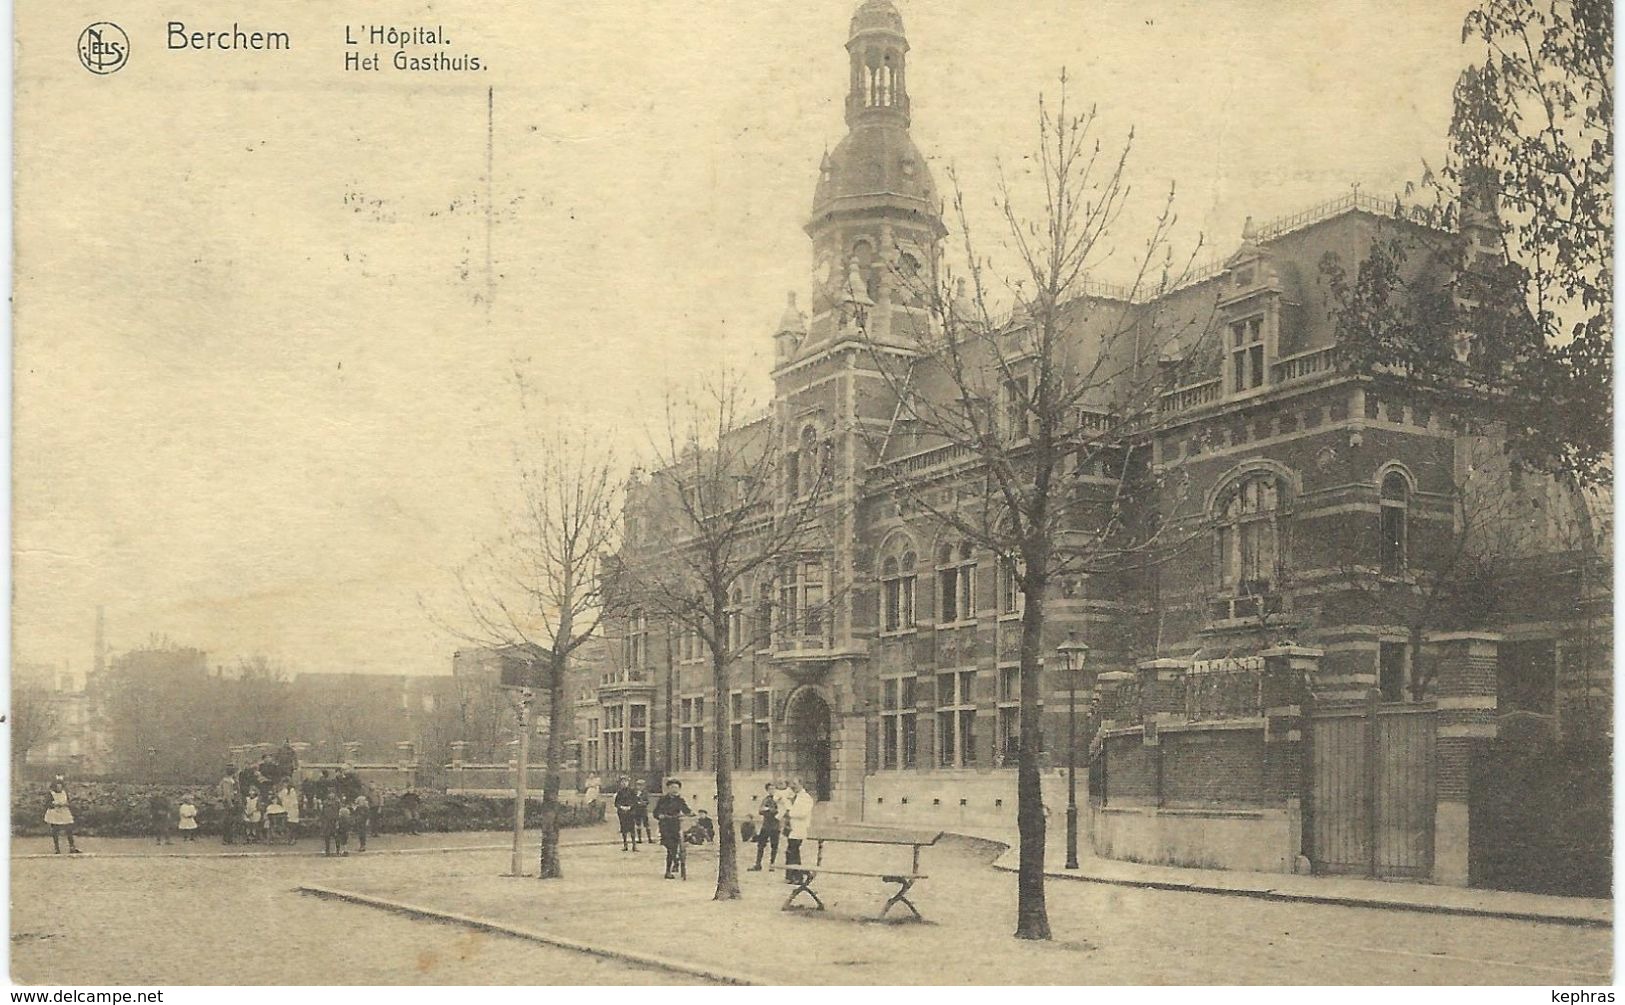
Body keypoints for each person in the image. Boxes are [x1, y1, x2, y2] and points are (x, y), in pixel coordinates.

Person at [652, 779, 692, 879]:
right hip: (665, 825)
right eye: (672, 787)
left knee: (672, 848)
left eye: (676, 788)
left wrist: (690, 813)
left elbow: (686, 810)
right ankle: (675, 861)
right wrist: (659, 816)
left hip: (675, 825)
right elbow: (655, 812)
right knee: (669, 846)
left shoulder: (680, 800)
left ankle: (668, 871)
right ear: (668, 789)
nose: (674, 790)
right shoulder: (662, 800)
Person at [781, 779, 809, 885]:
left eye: (796, 784)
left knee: (794, 852)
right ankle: (790, 876)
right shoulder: (794, 797)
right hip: (792, 829)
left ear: (801, 785)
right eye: (792, 784)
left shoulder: (806, 798)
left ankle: (798, 876)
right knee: (790, 852)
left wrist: (790, 811)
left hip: (799, 829)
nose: (793, 787)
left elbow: (802, 813)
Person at [44, 777, 81, 854]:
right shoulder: (51, 794)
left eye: (60, 786)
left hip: (64, 812)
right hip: (54, 813)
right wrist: (55, 804)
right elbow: (47, 804)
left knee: (69, 829)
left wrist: (67, 804)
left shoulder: (64, 793)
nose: (59, 788)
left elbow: (68, 801)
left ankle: (72, 847)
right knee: (55, 831)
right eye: (57, 786)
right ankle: (57, 849)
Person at [749, 781, 780, 871]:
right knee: (761, 845)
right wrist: (768, 810)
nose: (772, 790)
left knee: (774, 846)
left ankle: (772, 865)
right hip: (766, 826)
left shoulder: (779, 799)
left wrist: (768, 810)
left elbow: (779, 811)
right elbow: (760, 810)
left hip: (775, 826)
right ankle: (758, 864)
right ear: (767, 790)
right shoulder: (766, 799)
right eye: (770, 789)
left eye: (773, 788)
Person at [612, 776, 638, 851]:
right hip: (622, 813)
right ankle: (625, 845)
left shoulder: (632, 791)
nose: (624, 783)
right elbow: (616, 803)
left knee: (632, 829)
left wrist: (630, 807)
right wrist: (621, 807)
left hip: (630, 812)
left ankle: (634, 845)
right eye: (622, 782)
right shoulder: (619, 793)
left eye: (626, 782)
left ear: (628, 783)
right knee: (624, 829)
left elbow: (635, 801)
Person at [217, 768, 240, 845]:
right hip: (228, 803)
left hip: (234, 801)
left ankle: (230, 839)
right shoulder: (226, 781)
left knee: (232, 821)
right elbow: (227, 794)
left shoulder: (233, 780)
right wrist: (230, 804)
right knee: (228, 821)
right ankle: (226, 839)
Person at [320, 791, 344, 856]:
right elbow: (322, 813)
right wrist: (323, 821)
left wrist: (338, 821)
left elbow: (340, 812)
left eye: (332, 793)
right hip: (327, 822)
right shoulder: (325, 803)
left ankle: (338, 851)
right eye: (330, 793)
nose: (331, 795)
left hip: (334, 821)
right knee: (327, 837)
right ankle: (327, 851)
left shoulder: (337, 803)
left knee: (337, 837)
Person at [632, 779, 654, 846]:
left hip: (643, 810)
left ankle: (649, 838)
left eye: (641, 785)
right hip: (637, 810)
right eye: (638, 785)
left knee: (646, 824)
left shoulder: (645, 793)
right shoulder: (634, 793)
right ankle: (639, 839)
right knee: (638, 824)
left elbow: (647, 801)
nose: (639, 787)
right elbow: (632, 800)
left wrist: (642, 803)